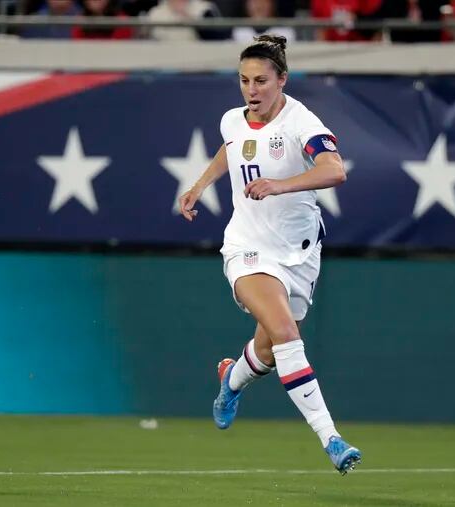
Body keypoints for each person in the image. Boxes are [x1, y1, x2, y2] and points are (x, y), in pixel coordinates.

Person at [178, 35, 361, 475]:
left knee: (269, 349)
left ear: (282, 80)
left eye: (261, 80)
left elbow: (334, 169)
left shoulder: (302, 122)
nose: (251, 89)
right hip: (248, 247)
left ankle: (232, 378)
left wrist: (280, 184)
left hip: (299, 254)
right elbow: (232, 146)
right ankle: (331, 438)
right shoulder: (232, 119)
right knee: (285, 333)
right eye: (244, 80)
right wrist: (200, 184)